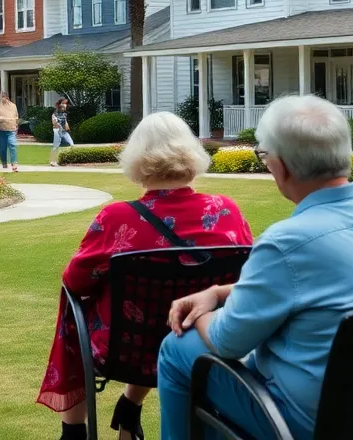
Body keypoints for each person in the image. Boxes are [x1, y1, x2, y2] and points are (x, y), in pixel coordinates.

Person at [156, 96, 353, 440]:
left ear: (280, 166)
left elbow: (228, 342)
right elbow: (331, 282)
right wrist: (217, 293)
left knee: (177, 349)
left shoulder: (285, 242)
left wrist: (198, 313)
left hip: (315, 420)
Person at [38, 112, 252, 440]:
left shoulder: (117, 218)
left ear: (137, 159)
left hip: (125, 350)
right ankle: (129, 407)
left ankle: (73, 430)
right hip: (199, 341)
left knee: (73, 305)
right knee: (157, 309)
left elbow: (75, 281)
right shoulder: (226, 211)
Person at [0, 91, 20, 172]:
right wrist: (8, 119)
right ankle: (4, 162)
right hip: (0, 130)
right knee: (2, 148)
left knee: (12, 145)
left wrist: (15, 125)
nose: (2, 98)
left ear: (7, 97)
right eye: (1, 96)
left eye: (3, 96)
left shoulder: (13, 106)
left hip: (11, 129)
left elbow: (16, 117)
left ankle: (14, 164)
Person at [48, 98, 75, 166]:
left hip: (64, 131)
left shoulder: (64, 114)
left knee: (71, 144)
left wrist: (67, 128)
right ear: (60, 104)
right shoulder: (55, 113)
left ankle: (65, 159)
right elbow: (54, 122)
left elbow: (65, 122)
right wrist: (59, 127)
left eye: (65, 103)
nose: (65, 105)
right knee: (56, 146)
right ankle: (52, 161)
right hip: (57, 131)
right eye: (63, 103)